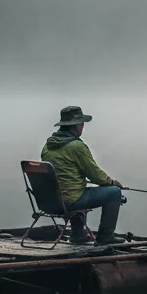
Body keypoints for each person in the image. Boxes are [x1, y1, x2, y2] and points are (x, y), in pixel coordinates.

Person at [41, 105, 126, 245]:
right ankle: (105, 237)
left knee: (78, 190)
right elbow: (95, 175)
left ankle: (78, 234)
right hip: (70, 201)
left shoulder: (47, 147)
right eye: (82, 124)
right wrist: (112, 183)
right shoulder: (77, 146)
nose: (83, 127)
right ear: (77, 125)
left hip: (51, 201)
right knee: (114, 193)